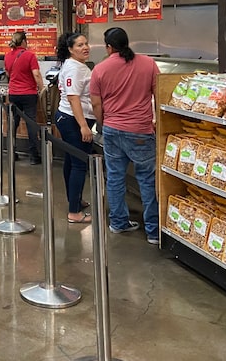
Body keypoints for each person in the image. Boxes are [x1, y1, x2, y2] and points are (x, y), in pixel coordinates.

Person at [90, 27, 160, 245]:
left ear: (109, 47)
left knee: (115, 177)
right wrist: (156, 120)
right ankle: (153, 231)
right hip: (141, 131)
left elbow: (96, 104)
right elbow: (160, 95)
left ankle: (119, 222)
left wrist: (103, 124)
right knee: (147, 180)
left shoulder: (100, 69)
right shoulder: (149, 64)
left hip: (112, 130)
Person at [55, 32, 94, 224]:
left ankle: (75, 200)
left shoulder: (74, 65)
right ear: (70, 49)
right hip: (73, 120)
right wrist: (84, 126)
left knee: (71, 161)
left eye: (86, 44)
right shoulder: (75, 68)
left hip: (67, 117)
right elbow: (73, 97)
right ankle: (74, 213)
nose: (85, 48)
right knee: (79, 163)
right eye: (79, 45)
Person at [4, 30, 43, 164]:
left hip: (13, 94)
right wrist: (42, 88)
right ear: (24, 42)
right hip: (28, 94)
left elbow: (8, 74)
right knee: (31, 123)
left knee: (13, 123)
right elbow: (36, 74)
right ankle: (34, 156)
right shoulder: (30, 55)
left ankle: (11, 152)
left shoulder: (8, 55)